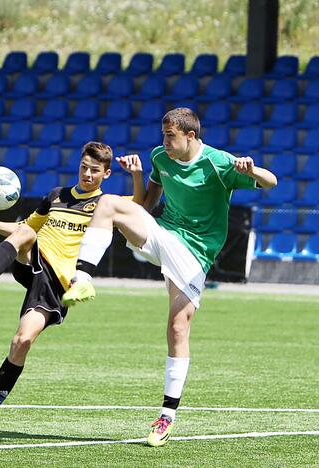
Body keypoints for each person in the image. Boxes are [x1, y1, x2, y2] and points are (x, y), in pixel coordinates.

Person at [62, 108, 277, 446]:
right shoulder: (160, 157)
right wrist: (136, 176)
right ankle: (82, 278)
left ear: (191, 135)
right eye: (163, 135)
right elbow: (145, 205)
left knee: (178, 327)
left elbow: (271, 182)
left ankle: (166, 416)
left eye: (171, 136)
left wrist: (253, 170)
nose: (164, 142)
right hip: (164, 235)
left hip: (195, 254)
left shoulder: (219, 163)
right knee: (107, 205)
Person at [0, 141, 133, 441]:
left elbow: (143, 204)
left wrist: (138, 177)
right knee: (26, 229)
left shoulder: (106, 206)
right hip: (33, 261)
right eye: (84, 167)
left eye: (94, 171)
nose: (87, 174)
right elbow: (23, 230)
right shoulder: (56, 196)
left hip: (55, 286)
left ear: (106, 173)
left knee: (21, 341)